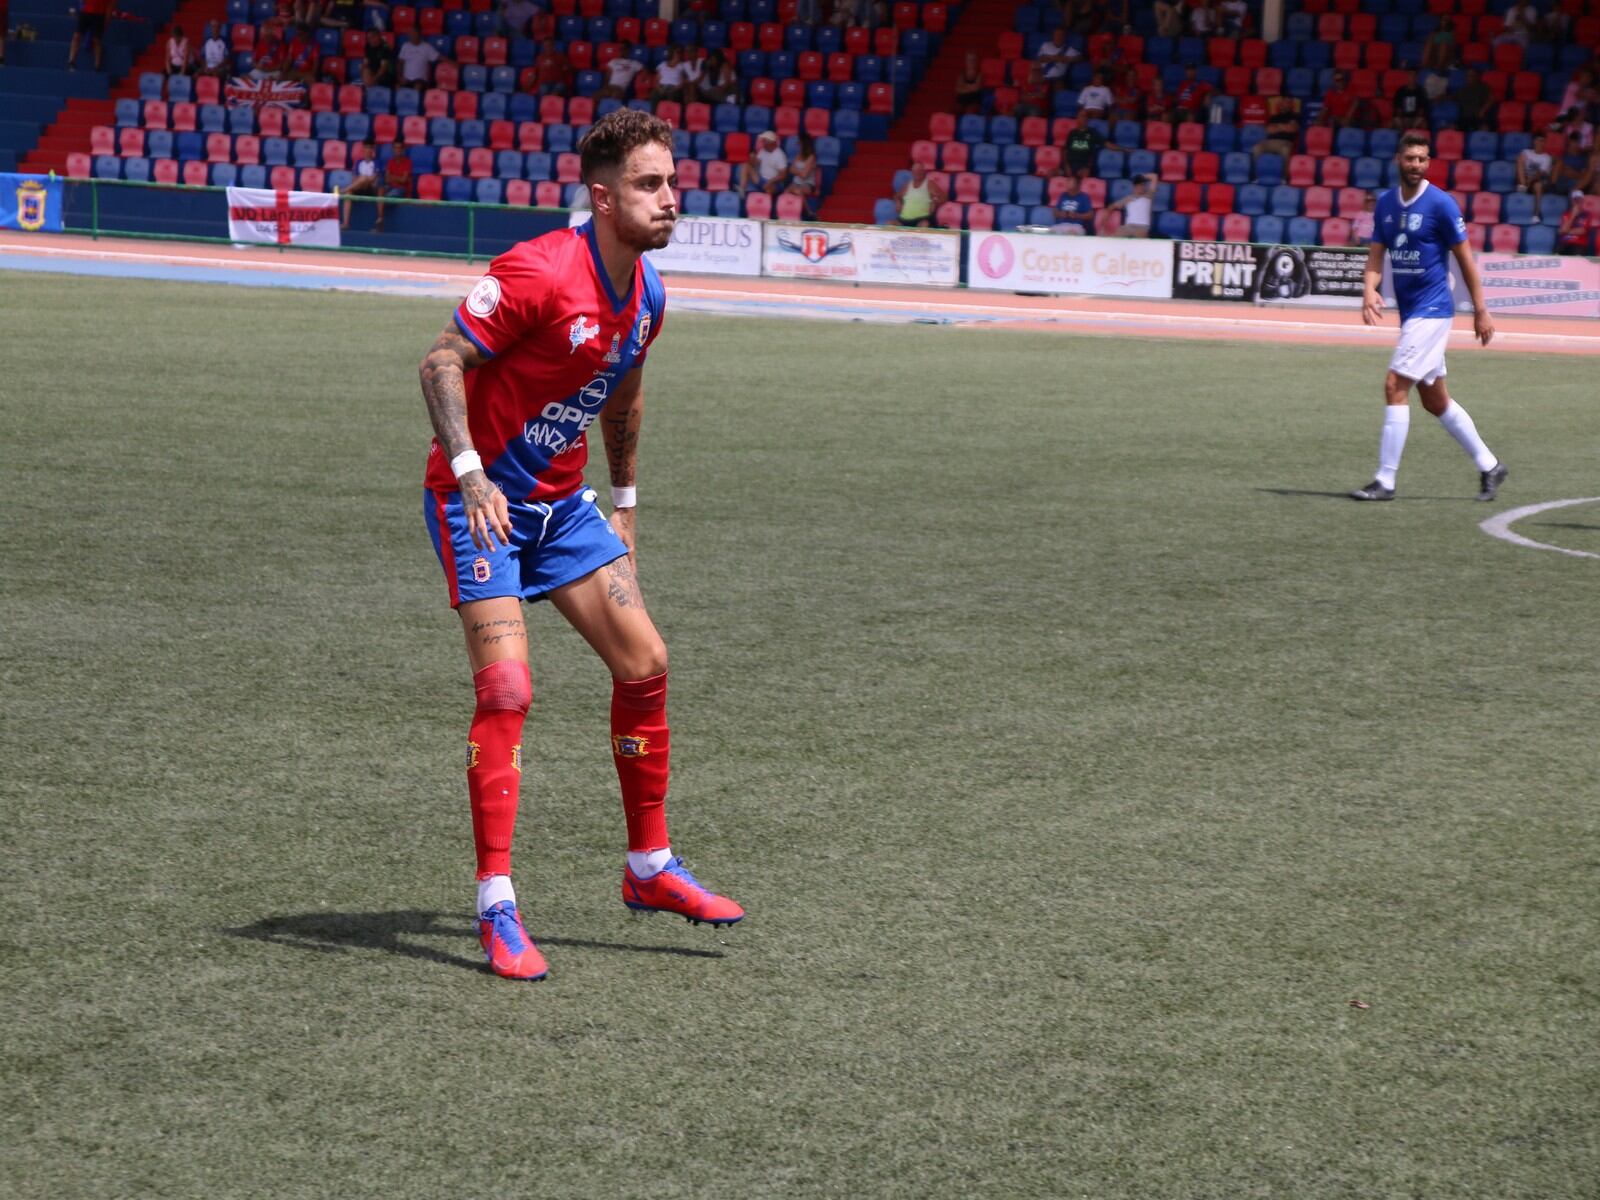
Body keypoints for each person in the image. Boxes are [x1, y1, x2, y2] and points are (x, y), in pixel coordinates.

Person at [416, 109, 744, 983]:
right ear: (601, 197)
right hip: (477, 502)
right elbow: (440, 362)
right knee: (510, 688)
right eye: (649, 184)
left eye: (672, 181)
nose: (671, 198)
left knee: (645, 661)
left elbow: (623, 394)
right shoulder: (537, 271)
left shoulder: (650, 294)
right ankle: (496, 905)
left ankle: (649, 869)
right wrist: (472, 472)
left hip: (562, 508)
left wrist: (626, 503)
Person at [1351, 132, 1504, 503]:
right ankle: (1490, 466)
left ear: (1428, 162)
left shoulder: (1441, 205)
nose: (1416, 165)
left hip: (1433, 311)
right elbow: (1376, 255)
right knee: (1435, 400)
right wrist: (1369, 288)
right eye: (1410, 158)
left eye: (1422, 159)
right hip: (1412, 315)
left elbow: (1466, 260)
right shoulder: (1386, 205)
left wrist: (1480, 310)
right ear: (1398, 161)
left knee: (1393, 386)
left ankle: (1385, 481)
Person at [342, 140, 380, 229]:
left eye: (370, 148)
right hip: (359, 187)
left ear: (373, 150)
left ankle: (342, 190)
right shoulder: (359, 162)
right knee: (349, 194)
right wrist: (361, 181)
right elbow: (354, 178)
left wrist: (364, 180)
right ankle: (346, 223)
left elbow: (373, 178)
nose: (368, 150)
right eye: (366, 148)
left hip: (370, 188)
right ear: (364, 149)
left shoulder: (377, 162)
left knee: (364, 178)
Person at [738, 130, 788, 196]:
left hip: (774, 183)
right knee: (745, 166)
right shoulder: (763, 150)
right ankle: (742, 189)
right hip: (762, 180)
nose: (762, 143)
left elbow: (783, 175)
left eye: (764, 141)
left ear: (771, 142)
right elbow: (756, 164)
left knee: (769, 190)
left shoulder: (780, 155)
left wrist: (770, 182)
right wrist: (752, 159)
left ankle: (766, 204)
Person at [894, 159, 942, 226]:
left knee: (924, 224)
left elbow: (943, 196)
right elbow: (897, 196)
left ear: (924, 172)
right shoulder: (907, 185)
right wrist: (898, 201)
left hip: (921, 219)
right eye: (915, 170)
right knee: (890, 224)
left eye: (919, 170)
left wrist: (935, 199)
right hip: (904, 219)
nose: (917, 172)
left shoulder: (929, 184)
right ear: (912, 172)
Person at [1516, 131, 1553, 216]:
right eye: (1539, 140)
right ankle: (1523, 185)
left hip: (1539, 180)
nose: (1541, 143)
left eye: (1543, 141)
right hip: (1525, 179)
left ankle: (1536, 214)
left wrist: (1530, 180)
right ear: (1534, 141)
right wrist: (1525, 181)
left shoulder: (1547, 157)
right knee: (1520, 160)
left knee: (1538, 185)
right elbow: (1520, 164)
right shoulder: (1526, 152)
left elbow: (1540, 173)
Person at [784, 132, 820, 216]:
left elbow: (804, 176)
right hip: (796, 182)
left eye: (799, 142)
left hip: (807, 184)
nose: (798, 144)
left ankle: (808, 212)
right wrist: (800, 171)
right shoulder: (798, 155)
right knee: (785, 192)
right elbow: (791, 169)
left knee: (798, 191)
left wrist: (796, 171)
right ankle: (788, 213)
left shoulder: (812, 157)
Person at [68, 0, 109, 71]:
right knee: (76, 36)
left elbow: (110, 6)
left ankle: (97, 66)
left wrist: (107, 20)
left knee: (97, 40)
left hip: (99, 15)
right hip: (85, 12)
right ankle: (71, 62)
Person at [1453, 67, 1494, 134]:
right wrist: (1442, 97)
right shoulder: (1463, 90)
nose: (1470, 78)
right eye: (1468, 76)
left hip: (1478, 117)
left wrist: (1483, 110)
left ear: (1477, 77)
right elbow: (1454, 98)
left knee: (1485, 129)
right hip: (1465, 118)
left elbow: (1491, 99)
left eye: (1472, 76)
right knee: (1451, 129)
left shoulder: (1483, 87)